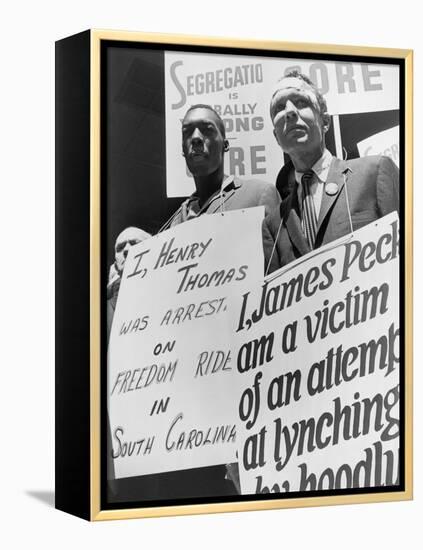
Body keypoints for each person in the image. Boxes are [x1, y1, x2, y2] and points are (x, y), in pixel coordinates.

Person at [262, 70, 399, 274]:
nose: (290, 112)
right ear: (276, 137)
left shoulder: (375, 172)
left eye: (300, 102)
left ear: (325, 122)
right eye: (280, 107)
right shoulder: (274, 223)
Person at [160, 104, 280, 231]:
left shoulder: (259, 194)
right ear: (183, 149)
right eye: (187, 132)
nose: (195, 138)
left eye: (207, 130)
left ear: (225, 145)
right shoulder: (175, 222)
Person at [107, 226, 151, 341]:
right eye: (120, 248)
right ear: (116, 264)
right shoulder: (104, 308)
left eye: (134, 243)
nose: (126, 250)